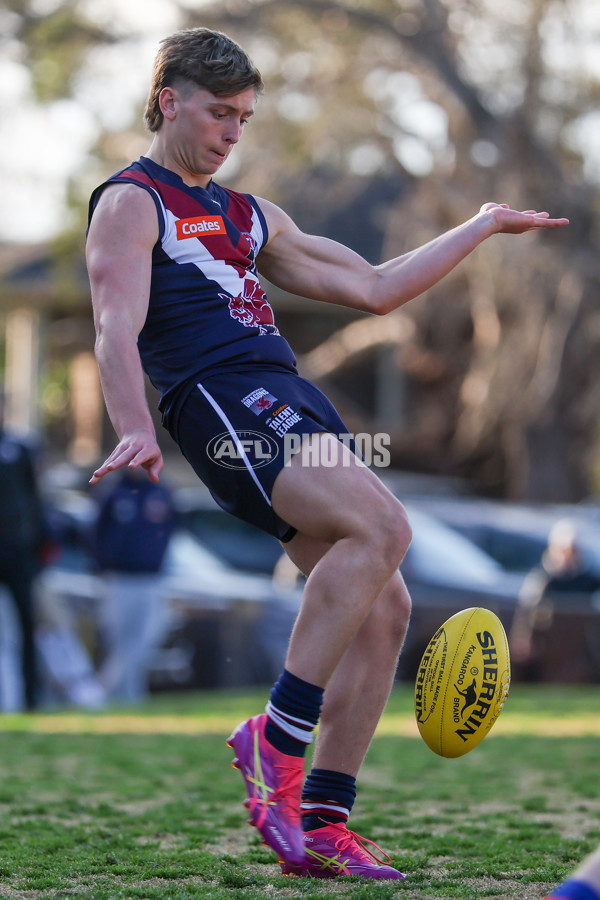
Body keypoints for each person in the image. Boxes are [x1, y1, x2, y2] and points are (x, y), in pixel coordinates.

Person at [85, 27, 569, 879]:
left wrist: (480, 226)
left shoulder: (251, 215)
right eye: (219, 113)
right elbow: (112, 324)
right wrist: (131, 425)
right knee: (385, 527)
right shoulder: (133, 201)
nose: (234, 133)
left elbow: (375, 288)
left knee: (383, 605)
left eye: (245, 118)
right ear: (170, 102)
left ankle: (323, 822)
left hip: (289, 399)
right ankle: (276, 740)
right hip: (221, 401)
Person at [93, 468, 176, 701]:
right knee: (119, 640)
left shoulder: (161, 492)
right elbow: (96, 533)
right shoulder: (112, 492)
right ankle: (130, 697)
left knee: (149, 637)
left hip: (151, 579)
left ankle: (101, 690)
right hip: (119, 579)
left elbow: (172, 528)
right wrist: (103, 566)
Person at [509, 518, 600, 681]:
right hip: (549, 645)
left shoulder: (588, 580)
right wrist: (524, 638)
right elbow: (527, 608)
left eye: (573, 551)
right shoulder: (544, 579)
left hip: (579, 646)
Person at [0, 402, 47, 710]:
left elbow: (34, 500)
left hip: (17, 553)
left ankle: (31, 698)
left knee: (27, 625)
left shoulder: (19, 448)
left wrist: (38, 545)